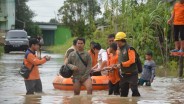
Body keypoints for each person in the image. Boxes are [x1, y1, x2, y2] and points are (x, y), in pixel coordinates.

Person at [114, 32, 140, 97]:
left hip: (132, 74)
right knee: (123, 93)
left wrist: (121, 64)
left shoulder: (130, 49)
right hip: (123, 74)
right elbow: (120, 61)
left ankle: (137, 101)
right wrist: (116, 66)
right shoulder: (119, 50)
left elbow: (132, 60)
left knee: (134, 90)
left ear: (121, 40)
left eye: (117, 41)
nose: (116, 43)